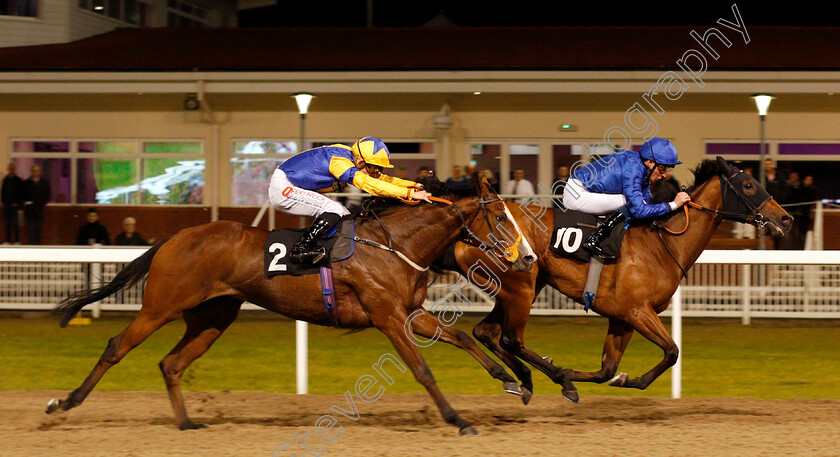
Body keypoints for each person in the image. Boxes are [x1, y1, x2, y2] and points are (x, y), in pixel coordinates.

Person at [269, 136, 432, 264]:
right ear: (361, 162)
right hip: (283, 187)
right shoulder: (340, 163)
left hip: (295, 185)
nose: (377, 172)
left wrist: (415, 185)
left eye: (379, 168)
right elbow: (370, 185)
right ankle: (300, 250)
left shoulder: (353, 158)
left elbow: (382, 179)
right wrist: (409, 194)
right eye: (374, 168)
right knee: (334, 209)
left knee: (345, 214)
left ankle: (327, 252)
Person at [563, 137, 691, 258]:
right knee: (630, 203)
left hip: (583, 189)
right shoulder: (633, 170)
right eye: (662, 168)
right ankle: (596, 238)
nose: (664, 174)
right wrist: (673, 205)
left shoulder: (640, 166)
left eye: (668, 168)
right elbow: (639, 210)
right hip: (576, 193)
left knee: (639, 202)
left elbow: (648, 199)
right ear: (650, 162)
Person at [23, 164, 50, 245]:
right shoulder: (27, 183)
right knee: (31, 233)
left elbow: (47, 196)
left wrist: (41, 203)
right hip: (30, 212)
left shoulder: (44, 183)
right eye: (34, 171)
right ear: (31, 172)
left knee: (38, 233)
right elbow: (24, 196)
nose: (35, 172)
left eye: (37, 171)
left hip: (39, 211)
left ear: (39, 172)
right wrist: (28, 204)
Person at [1, 163, 24, 244]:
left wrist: (18, 203)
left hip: (15, 205)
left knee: (15, 224)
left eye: (13, 168)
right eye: (10, 168)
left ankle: (17, 240)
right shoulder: (5, 179)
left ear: (14, 169)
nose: (11, 169)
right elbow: (3, 191)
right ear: (8, 169)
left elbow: (20, 193)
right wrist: (3, 202)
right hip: (6, 205)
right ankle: (7, 240)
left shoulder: (18, 180)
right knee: (7, 224)